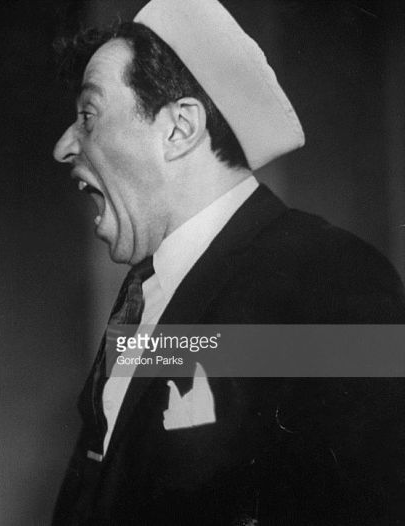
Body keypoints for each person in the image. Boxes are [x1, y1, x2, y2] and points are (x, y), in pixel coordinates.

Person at [51, 0, 405, 524]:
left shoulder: (331, 278)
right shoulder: (143, 297)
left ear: (179, 128)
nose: (64, 146)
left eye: (88, 116)